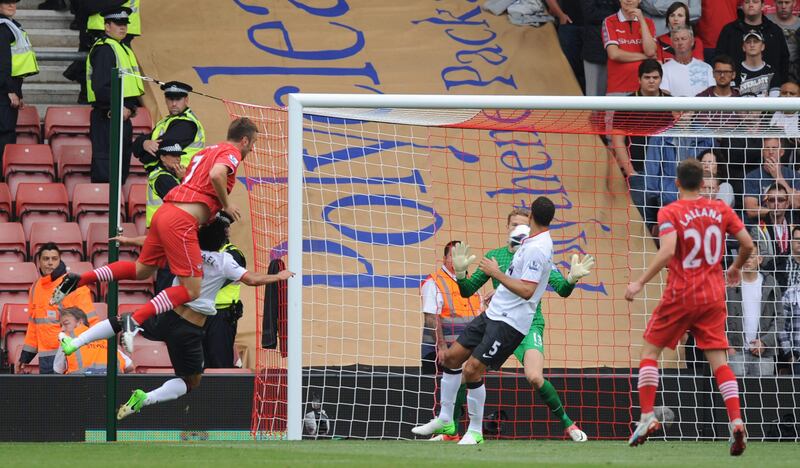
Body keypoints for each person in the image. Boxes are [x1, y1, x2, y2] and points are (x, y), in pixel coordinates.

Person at [51, 117, 258, 353]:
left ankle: (81, 278)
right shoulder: (231, 152)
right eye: (252, 143)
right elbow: (217, 175)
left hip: (165, 212)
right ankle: (135, 320)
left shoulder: (208, 150)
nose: (252, 149)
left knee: (142, 270)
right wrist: (226, 204)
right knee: (192, 290)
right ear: (244, 140)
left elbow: (194, 181)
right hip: (181, 221)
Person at [58, 214, 295, 419]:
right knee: (191, 382)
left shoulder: (184, 250)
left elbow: (154, 244)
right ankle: (144, 398)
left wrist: (130, 240)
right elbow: (252, 279)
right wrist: (278, 276)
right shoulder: (225, 261)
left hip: (166, 315)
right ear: (222, 240)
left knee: (122, 319)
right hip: (189, 328)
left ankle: (74, 343)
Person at [625, 158, 753, 456]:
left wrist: (640, 282)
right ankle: (736, 420)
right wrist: (734, 268)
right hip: (712, 294)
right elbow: (747, 243)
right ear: (703, 182)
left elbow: (668, 250)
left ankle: (646, 417)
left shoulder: (670, 211)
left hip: (681, 293)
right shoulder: (720, 209)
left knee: (649, 352)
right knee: (719, 362)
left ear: (677, 182)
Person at [412, 196, 556, 445]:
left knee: (472, 370)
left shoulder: (538, 249)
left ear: (531, 217)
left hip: (510, 323)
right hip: (493, 314)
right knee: (452, 357)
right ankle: (446, 418)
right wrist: (459, 273)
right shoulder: (527, 242)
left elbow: (527, 290)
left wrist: (495, 272)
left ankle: (475, 431)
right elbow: (470, 288)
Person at [455, 208, 592, 442]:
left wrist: (571, 279)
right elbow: (467, 290)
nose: (518, 230)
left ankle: (569, 425)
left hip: (529, 325)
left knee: (534, 377)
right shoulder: (495, 256)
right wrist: (460, 274)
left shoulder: (538, 255)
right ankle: (453, 430)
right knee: (464, 373)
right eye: (514, 225)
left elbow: (562, 289)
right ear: (507, 228)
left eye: (523, 226)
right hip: (499, 324)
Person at [420, 240, 482, 441]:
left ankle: (451, 431)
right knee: (454, 384)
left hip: (471, 345)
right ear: (445, 258)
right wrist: (441, 345)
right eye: (453, 256)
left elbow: (478, 313)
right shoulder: (434, 281)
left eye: (461, 256)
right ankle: (450, 430)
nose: (457, 260)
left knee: (463, 382)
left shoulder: (471, 282)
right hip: (447, 345)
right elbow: (431, 315)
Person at [16, 243, 96, 375]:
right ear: (39, 262)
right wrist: (25, 357)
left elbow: (90, 321)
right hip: (45, 357)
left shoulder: (73, 285)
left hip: (69, 354)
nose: (50, 263)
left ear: (60, 261)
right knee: (49, 395)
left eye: (54, 259)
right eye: (46, 259)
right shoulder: (35, 288)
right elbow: (34, 326)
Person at [86, 6, 144, 183]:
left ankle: (116, 208)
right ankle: (104, 207)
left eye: (125, 24)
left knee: (120, 166)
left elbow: (129, 86)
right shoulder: (105, 49)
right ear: (107, 26)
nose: (123, 27)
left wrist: (130, 106)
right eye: (118, 24)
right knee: (107, 167)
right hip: (108, 116)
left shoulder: (121, 48)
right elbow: (101, 87)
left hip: (121, 114)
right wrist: (119, 107)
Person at [726, 244, 783, 377]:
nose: (747, 260)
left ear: (760, 259)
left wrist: (765, 342)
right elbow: (717, 316)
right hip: (735, 351)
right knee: (735, 394)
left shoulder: (771, 283)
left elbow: (779, 318)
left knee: (764, 395)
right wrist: (728, 345)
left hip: (764, 352)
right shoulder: (729, 284)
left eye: (751, 256)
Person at [132, 81, 206, 169]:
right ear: (165, 100)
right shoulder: (166, 121)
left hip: (181, 175)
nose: (174, 104)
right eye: (170, 99)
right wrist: (144, 143)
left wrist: (142, 151)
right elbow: (136, 147)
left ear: (186, 100)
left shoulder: (187, 124)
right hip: (169, 174)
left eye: (178, 99)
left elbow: (155, 153)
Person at [0, 0, 39, 165]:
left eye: (14, 2)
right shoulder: (2, 28)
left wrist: (17, 92)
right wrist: (10, 91)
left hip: (8, 88)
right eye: (6, 2)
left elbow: (15, 67)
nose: (12, 6)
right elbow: (2, 63)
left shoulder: (11, 26)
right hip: (3, 91)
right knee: (5, 133)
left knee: (6, 133)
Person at [144, 141, 185, 295]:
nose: (178, 160)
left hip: (167, 231)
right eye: (173, 156)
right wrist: (184, 180)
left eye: (179, 156)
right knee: (167, 279)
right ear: (162, 157)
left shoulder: (168, 175)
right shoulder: (162, 177)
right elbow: (182, 199)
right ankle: (162, 315)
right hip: (164, 233)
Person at [204, 226, 247, 369]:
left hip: (222, 314)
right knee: (202, 363)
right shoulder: (206, 252)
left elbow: (218, 281)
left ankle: (222, 390)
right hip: (203, 313)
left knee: (220, 361)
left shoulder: (233, 254)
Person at [717, 0, 790, 84]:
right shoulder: (729, 30)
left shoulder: (775, 31)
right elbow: (719, 60)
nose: (751, 5)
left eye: (755, 2)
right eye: (747, 2)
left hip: (771, 88)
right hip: (735, 88)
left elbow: (784, 61)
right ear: (742, 6)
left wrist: (781, 86)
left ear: (763, 6)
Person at [53, 307, 133, 375]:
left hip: (82, 389)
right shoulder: (106, 339)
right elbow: (130, 366)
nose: (62, 329)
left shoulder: (67, 341)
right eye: (61, 325)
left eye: (66, 324)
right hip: (112, 389)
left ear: (80, 323)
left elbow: (57, 370)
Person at [602, 0, 657, 95]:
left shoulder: (648, 22)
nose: (628, 0)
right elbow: (614, 54)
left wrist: (642, 20)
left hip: (642, 90)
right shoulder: (609, 21)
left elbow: (650, 51)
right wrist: (645, 57)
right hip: (617, 88)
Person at [743, 138, 800, 223]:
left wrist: (778, 177)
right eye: (767, 148)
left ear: (782, 152)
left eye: (774, 148)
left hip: (788, 225)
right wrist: (777, 211)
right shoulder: (751, 177)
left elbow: (797, 203)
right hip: (761, 227)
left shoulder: (794, 175)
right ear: (762, 152)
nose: (770, 152)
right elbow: (751, 210)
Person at [751, 184, 795, 288]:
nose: (776, 204)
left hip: (793, 278)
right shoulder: (757, 229)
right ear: (766, 203)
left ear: (787, 203)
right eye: (772, 200)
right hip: (768, 282)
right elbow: (764, 260)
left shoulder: (795, 228)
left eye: (780, 200)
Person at [659, 25, 714, 96]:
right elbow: (665, 95)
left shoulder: (706, 68)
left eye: (684, 39)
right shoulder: (664, 69)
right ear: (672, 44)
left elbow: (712, 93)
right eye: (676, 39)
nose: (680, 43)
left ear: (692, 42)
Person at [581, 0, 619, 96]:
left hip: (618, 49)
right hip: (594, 48)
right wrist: (617, 15)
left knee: (613, 91)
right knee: (593, 93)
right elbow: (590, 13)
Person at [736, 29, 782, 97]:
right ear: (743, 47)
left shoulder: (772, 72)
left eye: (756, 41)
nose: (752, 45)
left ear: (763, 46)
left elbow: (775, 102)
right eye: (748, 42)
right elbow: (734, 98)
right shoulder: (736, 70)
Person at [780, 225, 800, 374]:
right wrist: (788, 354)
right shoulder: (778, 264)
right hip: (789, 340)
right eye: (797, 239)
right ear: (791, 241)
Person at [767, 0, 800, 81]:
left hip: (794, 70)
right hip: (771, 68)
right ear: (774, 3)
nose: (783, 6)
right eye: (780, 2)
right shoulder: (766, 20)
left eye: (787, 2)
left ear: (794, 3)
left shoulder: (799, 24)